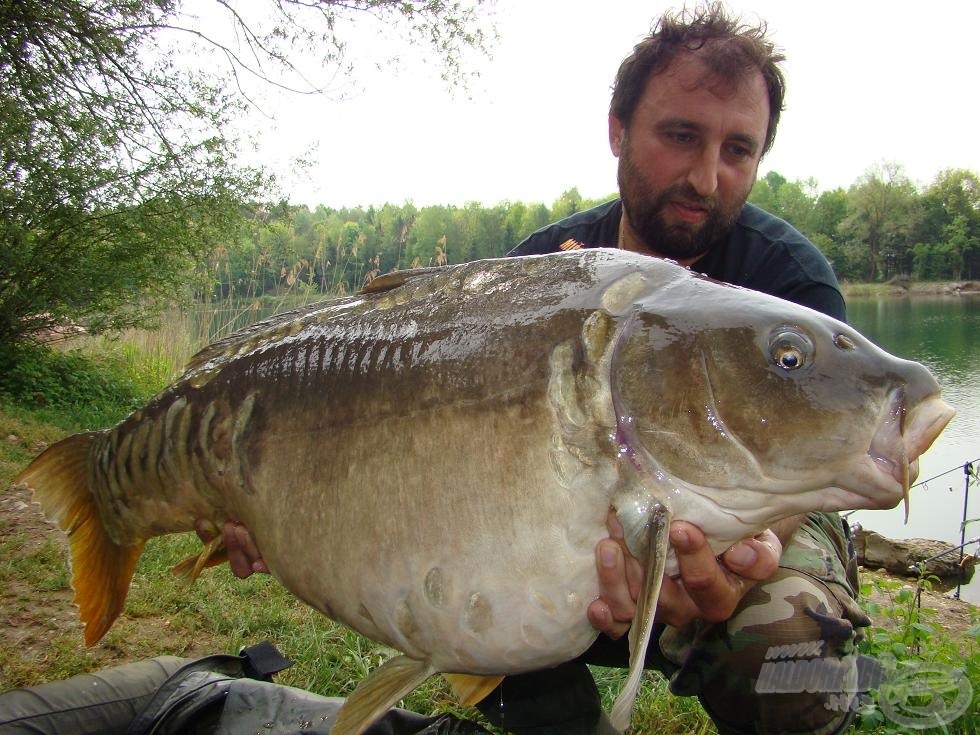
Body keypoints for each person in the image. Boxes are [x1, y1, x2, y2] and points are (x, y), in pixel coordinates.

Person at [215, 4, 871, 734]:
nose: (705, 177)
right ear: (618, 129)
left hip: (733, 525)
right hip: (557, 531)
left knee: (799, 667)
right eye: (680, 135)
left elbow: (810, 474)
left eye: (738, 150)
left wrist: (735, 545)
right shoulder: (541, 273)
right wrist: (280, 506)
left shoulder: (791, 287)